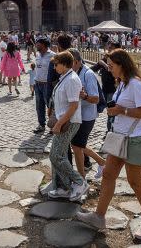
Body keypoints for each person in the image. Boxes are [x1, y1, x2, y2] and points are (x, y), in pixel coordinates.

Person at [76, 49, 141, 242]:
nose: (109, 68)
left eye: (112, 65)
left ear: (122, 65)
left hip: (137, 140)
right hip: (120, 138)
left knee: (136, 183)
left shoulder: (136, 84)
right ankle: (99, 217)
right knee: (108, 174)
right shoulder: (122, 83)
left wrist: (122, 110)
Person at [40, 52, 87, 201]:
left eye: (56, 64)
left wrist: (59, 124)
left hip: (69, 122)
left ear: (65, 64)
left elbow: (73, 106)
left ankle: (80, 182)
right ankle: (64, 187)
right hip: (63, 121)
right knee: (55, 155)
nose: (54, 67)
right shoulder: (64, 78)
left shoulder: (72, 79)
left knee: (57, 156)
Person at [68, 48, 106, 179]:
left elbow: (95, 99)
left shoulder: (88, 74)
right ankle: (101, 162)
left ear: (77, 62)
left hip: (87, 116)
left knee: (77, 146)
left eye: (69, 63)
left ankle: (81, 178)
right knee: (78, 145)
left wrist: (84, 96)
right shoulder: (73, 72)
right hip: (77, 115)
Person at [31, 38, 54, 134]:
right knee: (39, 106)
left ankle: (53, 126)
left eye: (38, 44)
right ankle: (41, 125)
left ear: (44, 45)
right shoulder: (38, 55)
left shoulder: (53, 55)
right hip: (38, 84)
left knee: (50, 106)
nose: (36, 45)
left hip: (47, 85)